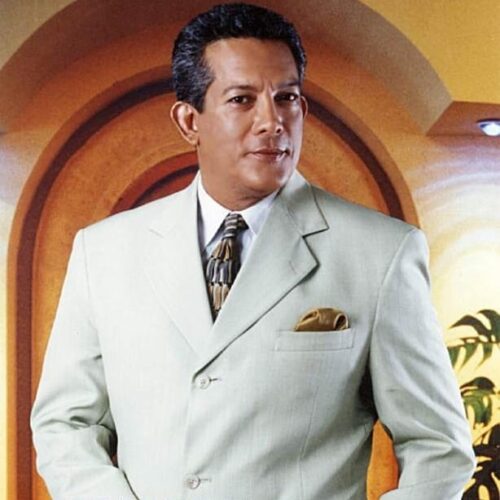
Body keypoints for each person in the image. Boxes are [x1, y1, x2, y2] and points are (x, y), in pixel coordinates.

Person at [31, 3, 475, 499]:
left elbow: (439, 447)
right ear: (188, 120)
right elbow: (65, 424)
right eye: (242, 99)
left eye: (287, 98)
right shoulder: (104, 252)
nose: (272, 121)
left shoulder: (381, 253)